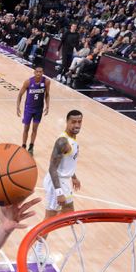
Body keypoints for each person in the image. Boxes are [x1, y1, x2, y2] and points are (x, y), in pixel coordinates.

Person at [34, 110, 83, 262]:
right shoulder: (63, 142)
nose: (76, 125)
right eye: (73, 122)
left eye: (79, 122)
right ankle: (38, 249)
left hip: (63, 180)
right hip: (56, 182)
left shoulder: (73, 140)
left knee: (67, 214)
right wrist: (59, 192)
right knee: (51, 218)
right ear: (67, 122)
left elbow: (67, 163)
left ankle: (39, 236)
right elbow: (52, 168)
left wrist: (73, 176)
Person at [16, 65, 50, 155]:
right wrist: (18, 107)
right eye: (37, 72)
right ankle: (23, 145)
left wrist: (48, 105)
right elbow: (20, 94)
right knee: (26, 128)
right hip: (29, 108)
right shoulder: (28, 82)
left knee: (35, 129)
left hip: (39, 109)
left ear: (43, 73)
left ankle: (31, 147)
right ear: (34, 72)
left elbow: (47, 94)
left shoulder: (46, 82)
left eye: (40, 72)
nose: (39, 73)